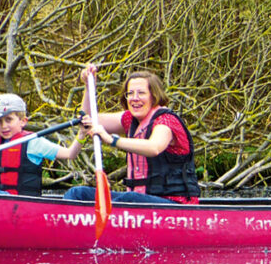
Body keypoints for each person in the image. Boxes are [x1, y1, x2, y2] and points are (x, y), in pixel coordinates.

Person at [61, 68, 201, 205]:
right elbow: (88, 119)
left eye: (141, 93)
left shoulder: (166, 120)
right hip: (139, 200)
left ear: (154, 96)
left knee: (128, 199)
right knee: (77, 194)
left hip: (173, 202)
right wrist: (88, 86)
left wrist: (112, 140)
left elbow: (154, 147)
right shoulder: (130, 119)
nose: (135, 98)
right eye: (130, 93)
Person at [0, 93, 81, 196]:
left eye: (8, 120)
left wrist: (82, 135)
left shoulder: (33, 142)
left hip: (23, 204)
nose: (4, 126)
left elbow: (70, 154)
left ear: (23, 121)